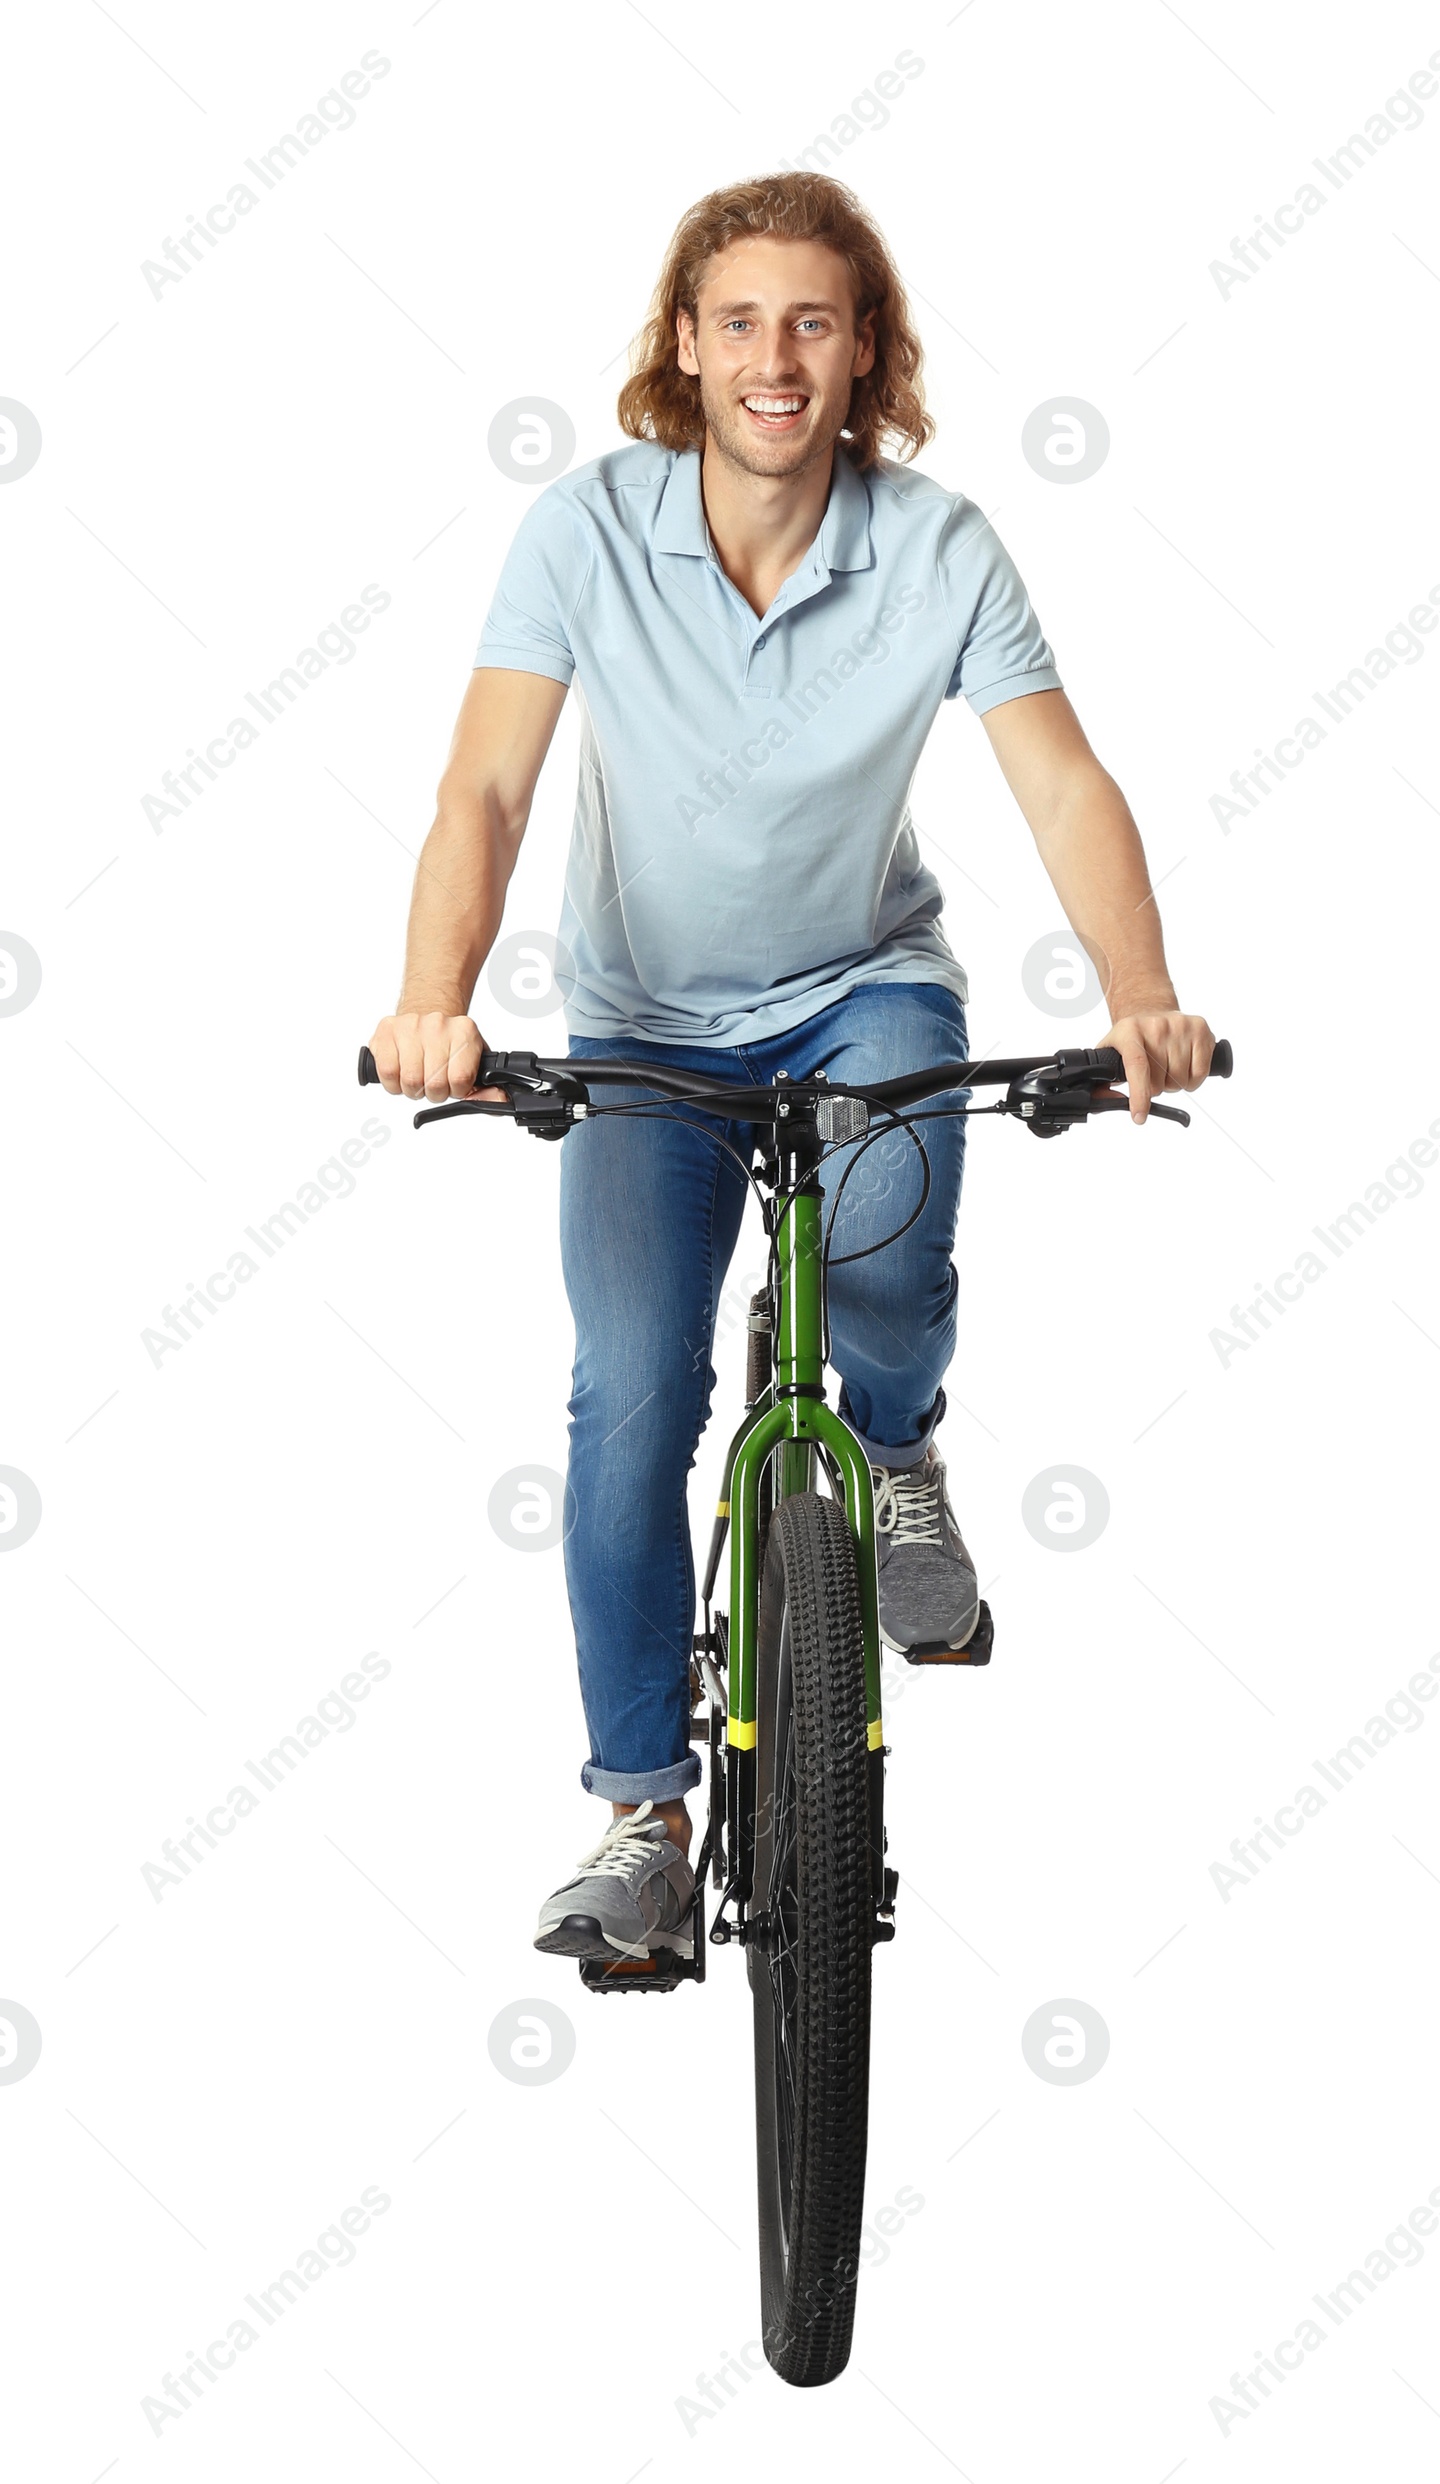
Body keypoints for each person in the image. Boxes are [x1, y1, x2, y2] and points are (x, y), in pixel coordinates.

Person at [367, 171, 1216, 1964]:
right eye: (740, 320)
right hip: (642, 1033)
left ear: (866, 352)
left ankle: (897, 1453)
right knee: (630, 1405)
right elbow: (488, 789)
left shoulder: (939, 548)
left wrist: (1142, 995)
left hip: (862, 991)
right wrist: (432, 996)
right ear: (685, 344)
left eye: (815, 322)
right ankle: (638, 1821)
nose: (776, 357)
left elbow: (1060, 781)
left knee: (894, 1256)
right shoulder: (583, 533)